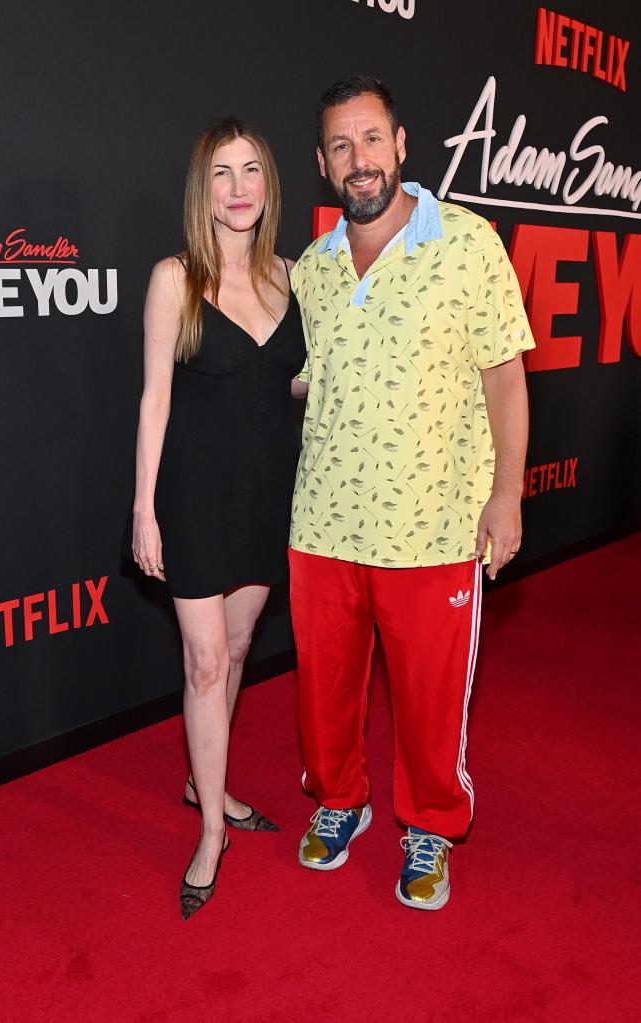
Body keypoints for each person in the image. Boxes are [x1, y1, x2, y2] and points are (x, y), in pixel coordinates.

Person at [289, 77, 534, 910]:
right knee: (322, 687)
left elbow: (505, 377)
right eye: (340, 147)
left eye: (370, 140)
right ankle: (338, 800)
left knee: (431, 699)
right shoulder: (313, 269)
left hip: (432, 525)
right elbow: (313, 374)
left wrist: (506, 495)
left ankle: (429, 824)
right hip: (322, 517)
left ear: (400, 145)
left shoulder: (468, 243)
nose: (359, 161)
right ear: (323, 166)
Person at [132, 117, 306, 919]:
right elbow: (155, 399)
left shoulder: (294, 276)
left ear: (268, 184)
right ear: (202, 190)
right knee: (204, 663)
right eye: (221, 175)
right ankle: (211, 831)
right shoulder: (175, 278)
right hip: (194, 499)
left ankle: (209, 778)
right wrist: (143, 508)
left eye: (251, 172)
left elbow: (293, 387)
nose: (238, 190)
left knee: (236, 649)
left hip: (269, 494)